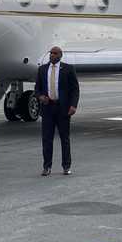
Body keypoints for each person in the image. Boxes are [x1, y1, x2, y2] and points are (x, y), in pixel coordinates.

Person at [35, 46, 80, 176]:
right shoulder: (42, 69)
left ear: (60, 55)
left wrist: (73, 105)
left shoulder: (68, 69)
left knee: (64, 138)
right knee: (47, 139)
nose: (52, 55)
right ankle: (47, 167)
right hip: (48, 108)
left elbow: (75, 89)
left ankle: (66, 166)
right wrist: (40, 97)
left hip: (63, 109)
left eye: (55, 53)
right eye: (51, 53)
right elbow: (37, 88)